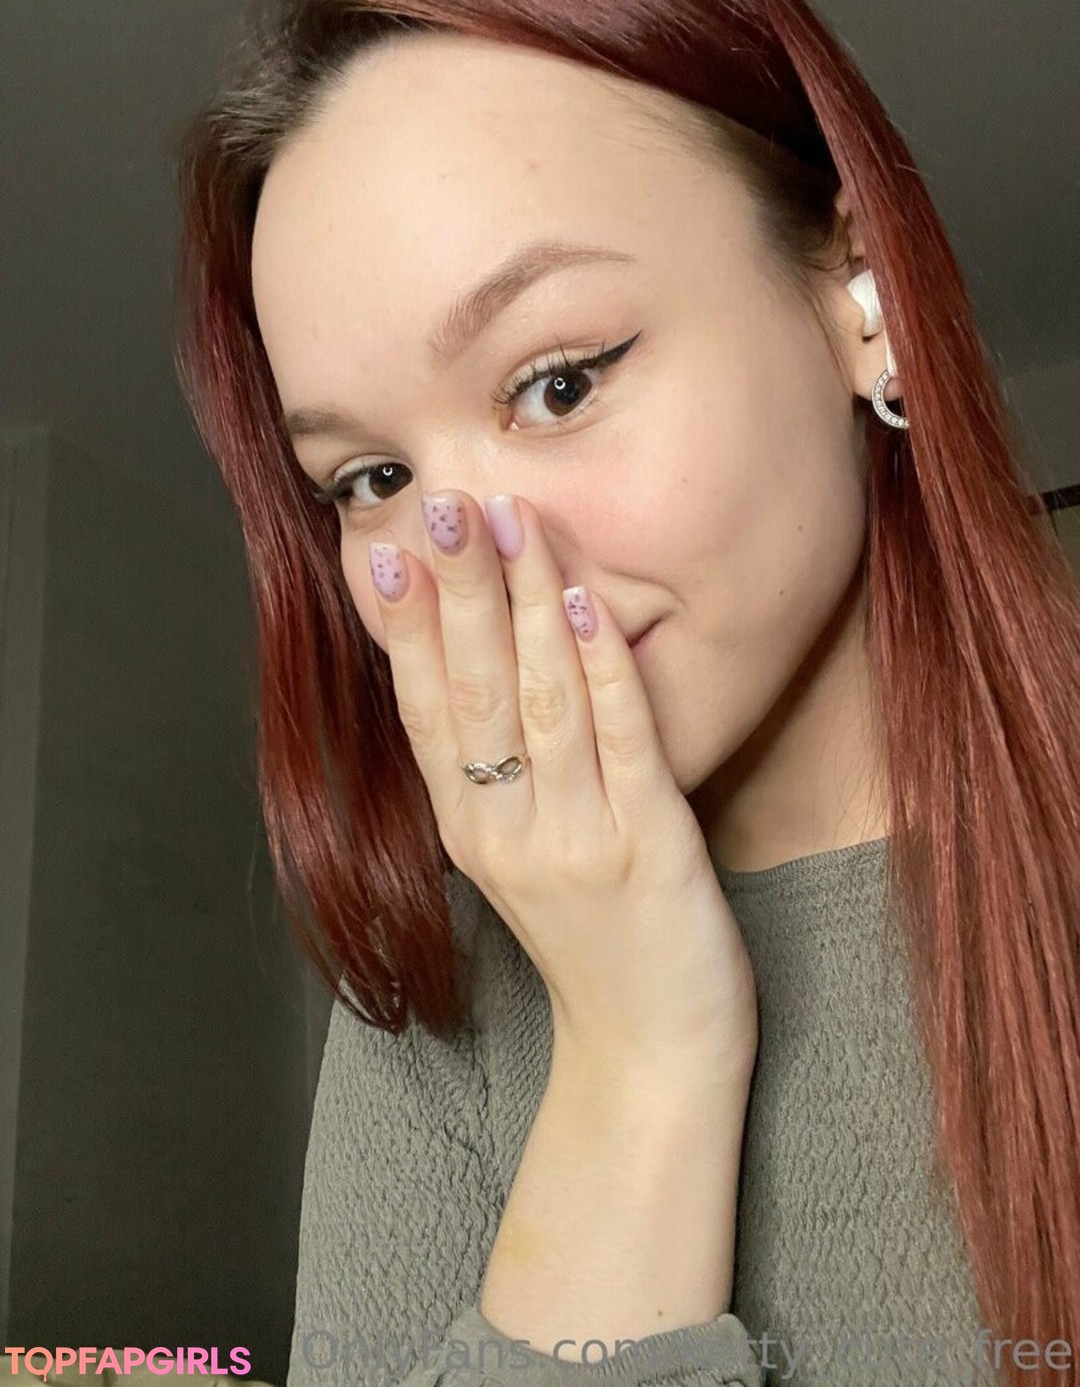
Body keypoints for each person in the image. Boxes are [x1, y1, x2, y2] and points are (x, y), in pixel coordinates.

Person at [172, 2, 1080, 1384]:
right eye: (375, 479)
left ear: (861, 296)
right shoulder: (437, 999)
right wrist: (637, 1056)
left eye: (556, 385)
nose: (477, 565)